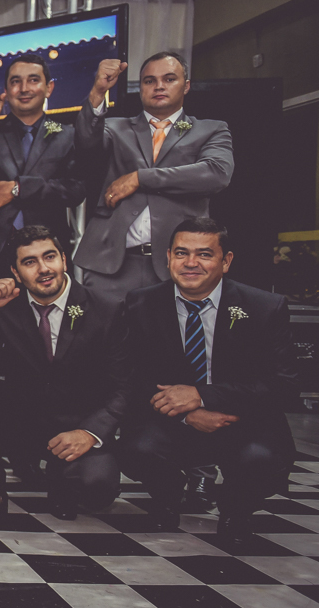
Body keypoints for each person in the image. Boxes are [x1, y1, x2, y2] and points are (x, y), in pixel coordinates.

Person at [119, 218, 296, 544]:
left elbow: (283, 385)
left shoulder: (265, 307)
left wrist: (203, 396)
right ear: (168, 257)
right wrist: (187, 414)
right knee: (136, 449)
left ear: (225, 261)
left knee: (263, 460)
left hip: (241, 419)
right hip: (171, 420)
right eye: (181, 253)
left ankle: (236, 510)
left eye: (204, 254)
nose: (191, 263)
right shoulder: (140, 303)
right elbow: (132, 376)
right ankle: (168, 495)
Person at [0, 225, 129, 530]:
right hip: (22, 424)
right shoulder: (5, 306)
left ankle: (61, 477)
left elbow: (122, 387)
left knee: (97, 489)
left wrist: (89, 433)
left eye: (49, 257)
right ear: (15, 272)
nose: (43, 269)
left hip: (76, 426)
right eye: (30, 262)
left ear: (64, 259)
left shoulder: (106, 309)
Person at [75, 54, 234, 306]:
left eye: (169, 79)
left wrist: (140, 178)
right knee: (102, 331)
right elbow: (85, 144)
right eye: (149, 81)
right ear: (141, 88)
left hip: (177, 267)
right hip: (111, 264)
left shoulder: (210, 129)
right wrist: (98, 91)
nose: (159, 86)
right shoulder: (115, 128)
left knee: (169, 332)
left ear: (186, 85)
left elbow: (216, 173)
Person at [0, 54, 89, 315]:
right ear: (6, 90)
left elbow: (76, 190)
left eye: (33, 80)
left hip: (44, 256)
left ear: (49, 87)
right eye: (16, 82)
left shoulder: (68, 134)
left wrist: (18, 188)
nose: (24, 88)